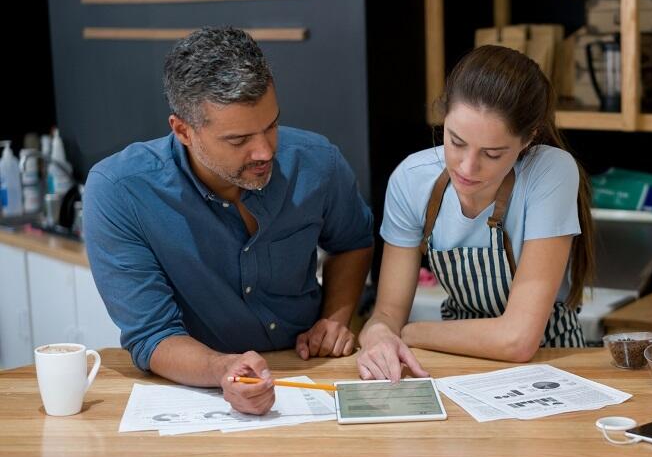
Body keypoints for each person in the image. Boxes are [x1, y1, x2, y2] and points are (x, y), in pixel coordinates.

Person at [83, 27, 374, 414]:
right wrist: (222, 370)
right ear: (183, 130)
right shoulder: (120, 191)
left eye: (271, 126)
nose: (265, 151)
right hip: (196, 390)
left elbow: (353, 241)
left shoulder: (318, 161)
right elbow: (152, 335)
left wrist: (335, 318)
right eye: (238, 141)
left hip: (312, 374)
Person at [357, 45, 594, 382]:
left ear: (529, 139)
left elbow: (518, 340)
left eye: (493, 154)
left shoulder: (550, 171)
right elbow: (386, 313)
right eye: (455, 142)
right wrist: (379, 335)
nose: (467, 167)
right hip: (454, 363)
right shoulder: (411, 180)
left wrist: (407, 334)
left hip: (550, 361)